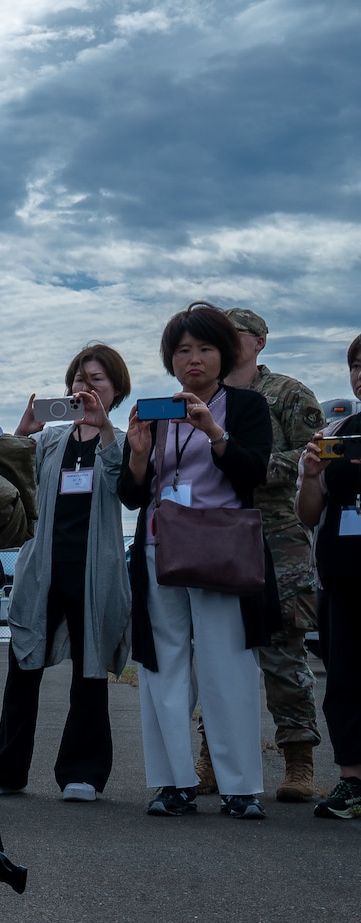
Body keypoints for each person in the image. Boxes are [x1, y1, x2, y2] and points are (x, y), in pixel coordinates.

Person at [118, 302, 276, 819]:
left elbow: (253, 472)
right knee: (163, 663)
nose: (194, 359)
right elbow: (130, 494)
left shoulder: (246, 407)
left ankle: (239, 787)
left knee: (227, 661)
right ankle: (172, 783)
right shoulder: (158, 412)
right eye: (183, 350)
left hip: (221, 547)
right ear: (170, 357)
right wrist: (138, 454)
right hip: (160, 545)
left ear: (224, 353)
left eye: (205, 348)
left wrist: (213, 431)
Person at [0, 345, 133, 801]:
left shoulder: (126, 441)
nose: (86, 388)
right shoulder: (49, 440)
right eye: (79, 380)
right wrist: (22, 431)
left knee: (90, 674)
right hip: (41, 567)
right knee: (23, 665)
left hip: (96, 570)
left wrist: (104, 430)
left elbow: (124, 488)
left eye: (98, 380)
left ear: (116, 390)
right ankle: (8, 770)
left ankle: (83, 774)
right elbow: (7, 480)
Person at [219, 308, 324, 802]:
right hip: (219, 535)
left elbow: (311, 458)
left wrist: (243, 462)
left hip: (278, 536)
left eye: (233, 333)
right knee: (219, 653)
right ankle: (211, 757)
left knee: (283, 653)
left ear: (259, 342)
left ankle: (299, 760)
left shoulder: (289, 393)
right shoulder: (206, 397)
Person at [298, 341, 361, 819]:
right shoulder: (337, 433)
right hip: (341, 574)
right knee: (343, 680)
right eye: (356, 367)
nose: (360, 374)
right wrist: (311, 475)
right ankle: (351, 782)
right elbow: (309, 514)